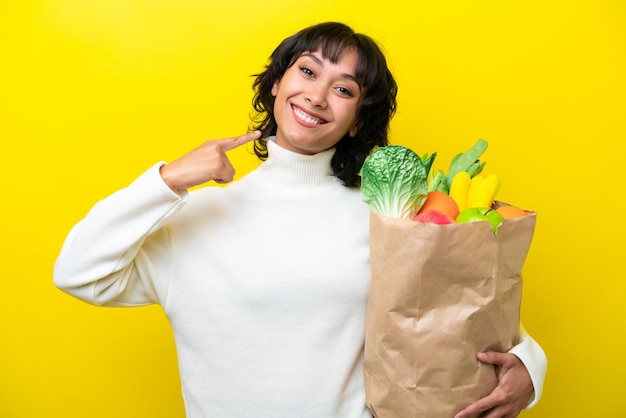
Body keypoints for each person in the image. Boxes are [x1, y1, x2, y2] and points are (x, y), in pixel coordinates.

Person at [54, 22, 546, 418]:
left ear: (357, 119)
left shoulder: (388, 217)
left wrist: (531, 367)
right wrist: (168, 179)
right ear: (275, 84)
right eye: (308, 72)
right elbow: (77, 272)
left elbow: (464, 313)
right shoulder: (194, 219)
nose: (317, 96)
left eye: (344, 89)